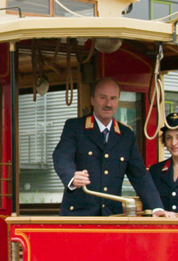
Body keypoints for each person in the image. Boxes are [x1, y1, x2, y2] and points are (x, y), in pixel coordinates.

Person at [53, 78, 170, 217]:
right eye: (103, 98)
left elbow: (140, 175)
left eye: (113, 98)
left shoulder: (126, 135)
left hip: (112, 217)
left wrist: (156, 207)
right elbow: (61, 156)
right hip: (79, 216)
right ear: (92, 100)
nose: (108, 104)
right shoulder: (75, 127)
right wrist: (72, 177)